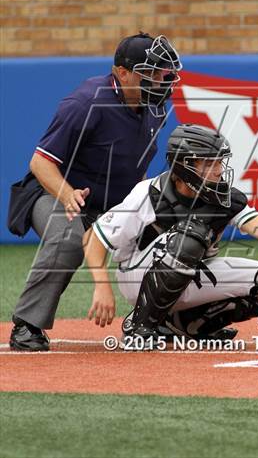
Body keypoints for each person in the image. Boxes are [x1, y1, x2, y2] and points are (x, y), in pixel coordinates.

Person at [84, 123, 258, 348]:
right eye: (209, 163)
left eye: (219, 161)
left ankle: (184, 326)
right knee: (189, 238)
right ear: (184, 166)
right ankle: (140, 326)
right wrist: (102, 286)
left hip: (191, 270)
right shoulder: (148, 193)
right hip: (137, 278)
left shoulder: (223, 196)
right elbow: (96, 238)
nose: (218, 170)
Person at [9, 31, 182, 351]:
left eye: (162, 74)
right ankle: (27, 325)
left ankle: (167, 319)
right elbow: (40, 162)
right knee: (69, 234)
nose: (159, 81)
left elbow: (137, 166)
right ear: (122, 72)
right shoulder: (86, 102)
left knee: (176, 230)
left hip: (113, 200)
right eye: (150, 73)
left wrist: (145, 209)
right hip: (55, 193)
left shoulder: (155, 107)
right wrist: (67, 194)